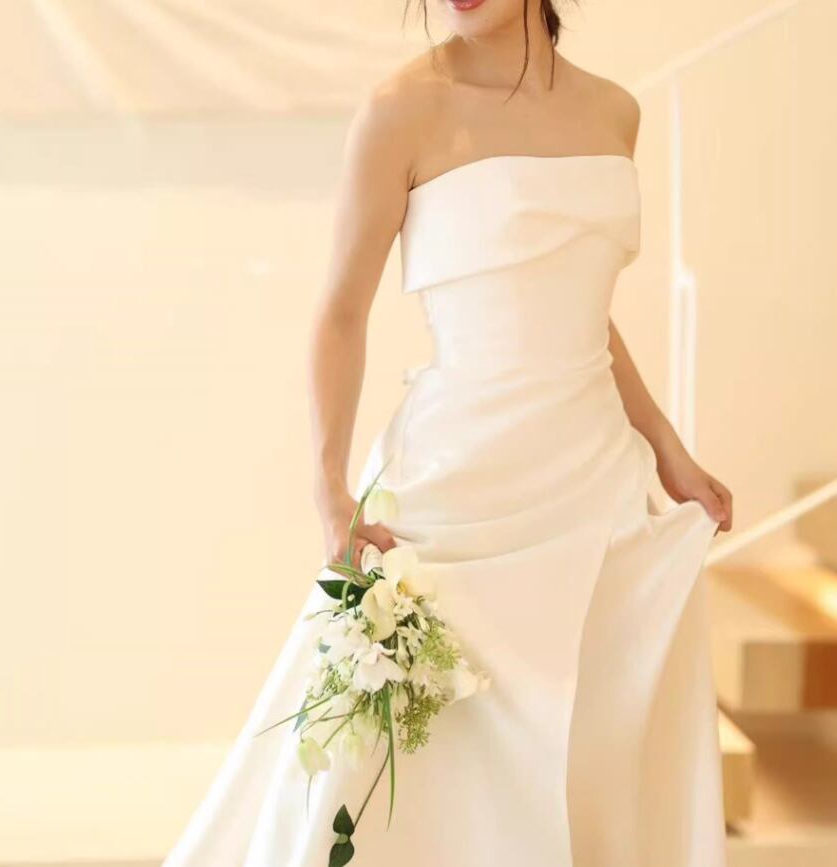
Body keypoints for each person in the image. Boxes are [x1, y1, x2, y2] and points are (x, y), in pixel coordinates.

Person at [162, 1, 733, 865]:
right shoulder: (401, 110)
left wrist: (665, 445)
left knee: (587, 751)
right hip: (455, 485)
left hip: (593, 486)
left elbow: (578, 311)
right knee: (413, 774)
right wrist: (329, 490)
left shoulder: (616, 111)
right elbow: (340, 313)